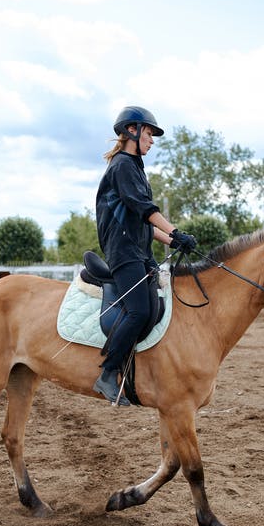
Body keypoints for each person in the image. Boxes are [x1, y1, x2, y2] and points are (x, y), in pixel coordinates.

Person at [93, 105, 197, 406]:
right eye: (149, 134)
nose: (152, 141)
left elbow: (144, 222)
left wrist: (171, 240)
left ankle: (135, 371)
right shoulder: (123, 165)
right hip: (123, 251)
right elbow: (145, 209)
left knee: (152, 308)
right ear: (132, 131)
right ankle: (107, 373)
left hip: (140, 250)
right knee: (138, 311)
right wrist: (176, 231)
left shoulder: (136, 168)